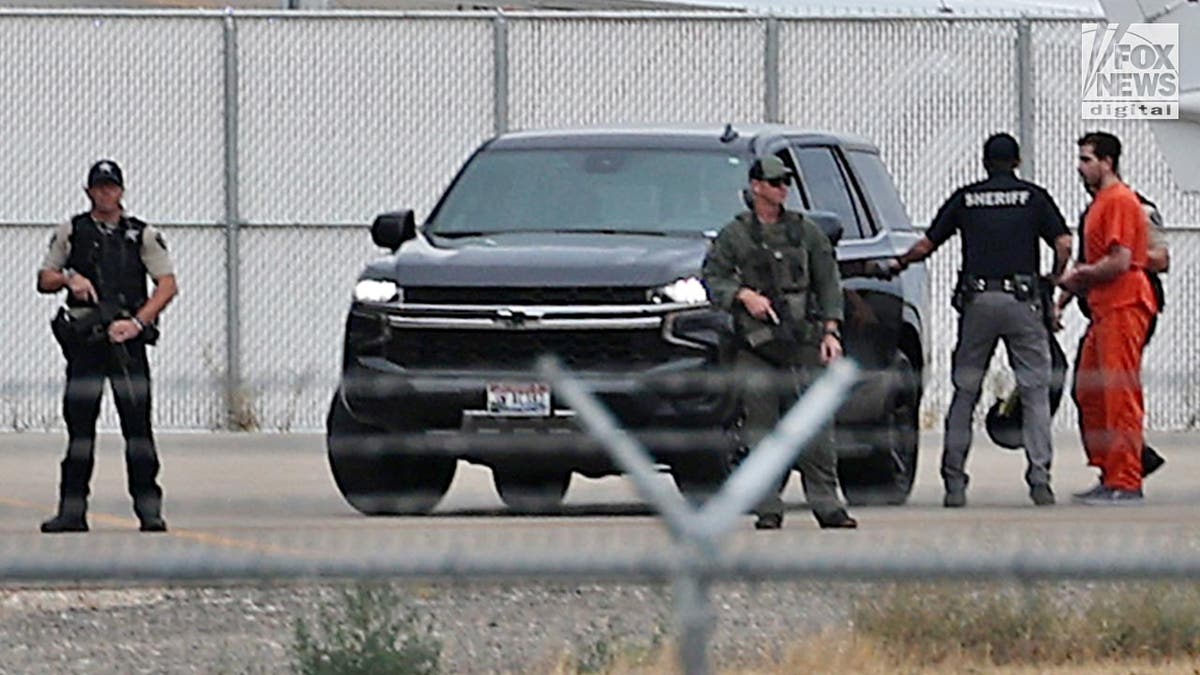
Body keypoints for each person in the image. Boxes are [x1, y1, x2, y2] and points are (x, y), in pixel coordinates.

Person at [890, 133, 1072, 508]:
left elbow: (926, 245)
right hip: (1022, 301)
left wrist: (897, 264)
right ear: (1017, 162)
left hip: (977, 303)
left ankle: (954, 482)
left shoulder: (967, 198)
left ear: (984, 162)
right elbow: (1064, 243)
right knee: (1036, 392)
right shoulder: (1033, 197)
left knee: (965, 393)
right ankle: (1040, 480)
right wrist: (1053, 278)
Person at [701, 155, 856, 530]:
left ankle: (827, 503)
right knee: (761, 428)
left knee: (817, 427)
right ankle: (767, 506)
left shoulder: (805, 233)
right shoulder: (735, 235)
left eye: (785, 182)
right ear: (756, 187)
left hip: (802, 340)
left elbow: (828, 282)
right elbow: (712, 277)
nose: (781, 188)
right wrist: (743, 296)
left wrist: (831, 332)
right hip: (757, 345)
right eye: (773, 182)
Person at [37, 160, 178, 533]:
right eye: (99, 187)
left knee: (138, 429)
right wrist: (70, 278)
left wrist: (137, 323)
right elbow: (45, 278)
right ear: (88, 191)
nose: (106, 193)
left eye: (111, 187)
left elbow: (167, 285)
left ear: (122, 191)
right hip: (87, 344)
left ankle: (149, 510)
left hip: (126, 345)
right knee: (80, 429)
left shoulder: (142, 235)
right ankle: (72, 511)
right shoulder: (73, 231)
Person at [1058, 132, 1157, 505]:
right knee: (1091, 390)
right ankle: (1109, 468)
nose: (1080, 167)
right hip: (1104, 309)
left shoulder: (1117, 201)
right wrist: (1066, 297)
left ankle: (1126, 479)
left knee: (1119, 395)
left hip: (1123, 304)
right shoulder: (1101, 204)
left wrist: (1078, 277)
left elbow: (1119, 260)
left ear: (1108, 162)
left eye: (1087, 160)